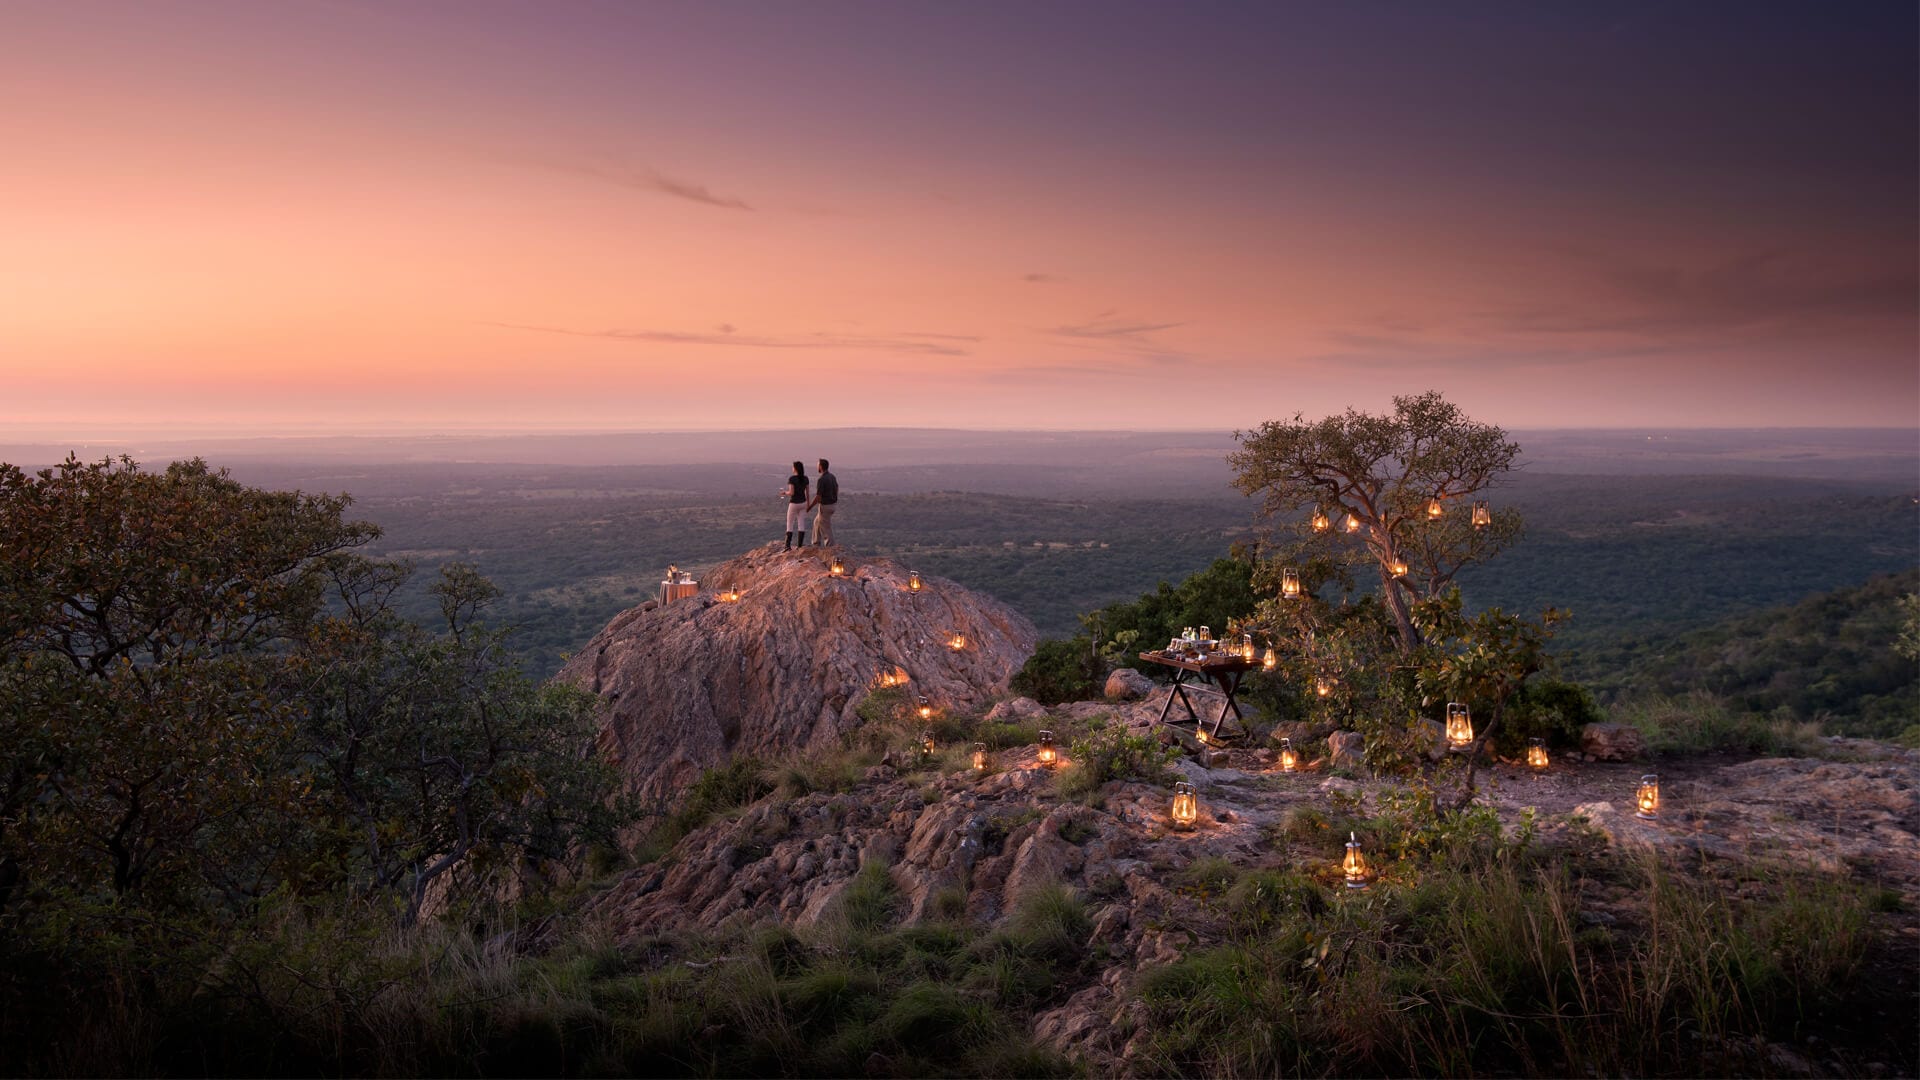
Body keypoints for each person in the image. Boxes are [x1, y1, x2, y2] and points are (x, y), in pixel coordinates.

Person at [807, 457, 838, 546]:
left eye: (817, 465)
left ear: (820, 466)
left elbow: (818, 497)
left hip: (825, 506)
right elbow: (837, 488)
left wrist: (810, 507)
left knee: (826, 527)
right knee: (817, 522)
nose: (817, 467)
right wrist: (835, 498)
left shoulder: (821, 479)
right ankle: (815, 543)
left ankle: (831, 547)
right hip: (832, 505)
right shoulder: (832, 476)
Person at [782, 460, 809, 551]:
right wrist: (808, 504)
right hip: (803, 503)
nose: (792, 468)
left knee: (790, 524)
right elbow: (807, 493)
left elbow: (791, 492)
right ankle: (800, 546)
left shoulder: (792, 479)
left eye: (793, 467)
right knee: (801, 523)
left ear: (795, 468)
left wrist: (784, 493)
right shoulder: (805, 479)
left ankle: (787, 546)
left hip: (794, 503)